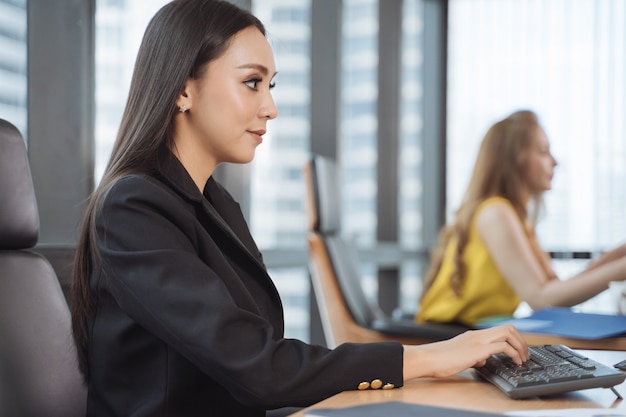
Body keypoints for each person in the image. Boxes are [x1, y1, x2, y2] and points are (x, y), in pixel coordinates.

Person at [70, 1, 529, 416]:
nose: (270, 107)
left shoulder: (214, 204)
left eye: (269, 86)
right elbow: (258, 366)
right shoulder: (134, 208)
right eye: (251, 83)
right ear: (183, 90)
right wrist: (431, 357)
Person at [417, 110, 626, 327]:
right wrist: (620, 269)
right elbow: (542, 299)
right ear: (515, 159)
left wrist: (616, 257)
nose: (554, 161)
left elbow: (552, 288)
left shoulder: (514, 217)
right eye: (543, 151)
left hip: (470, 332)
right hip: (447, 336)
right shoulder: (496, 212)